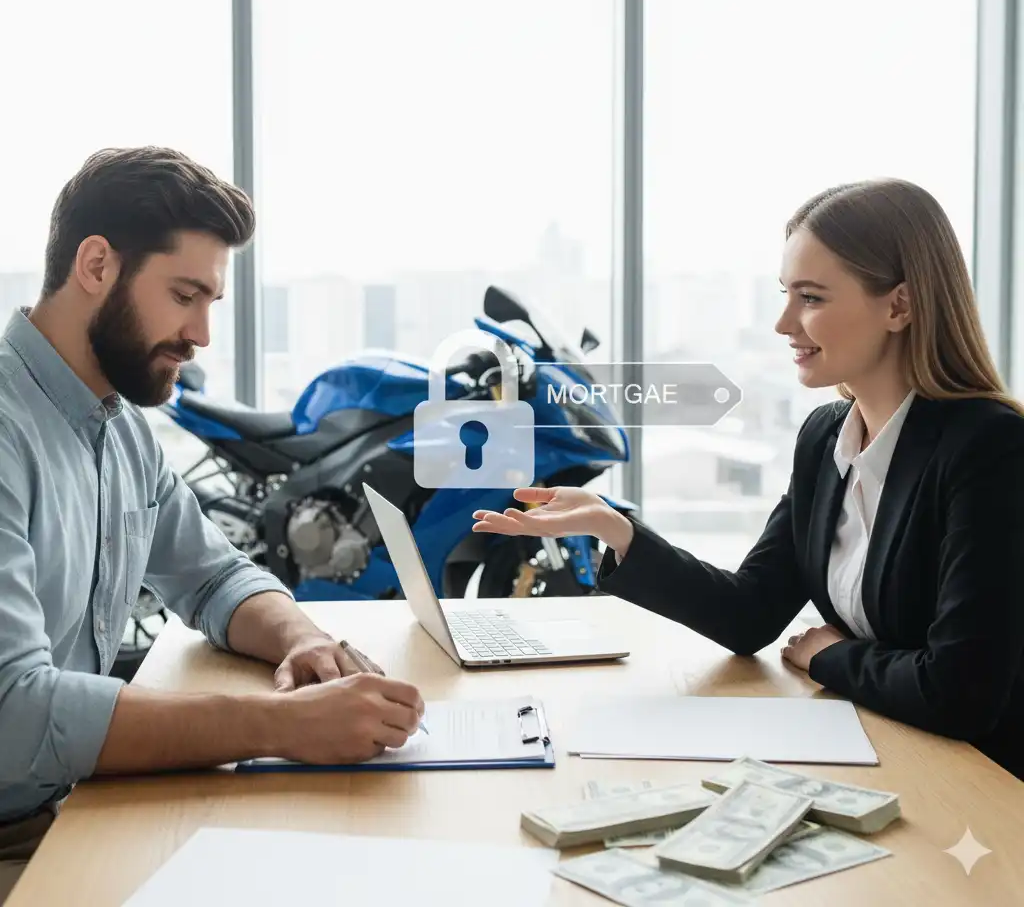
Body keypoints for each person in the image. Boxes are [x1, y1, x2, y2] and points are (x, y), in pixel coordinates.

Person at [473, 178, 1024, 782]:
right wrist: (616, 528)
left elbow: (960, 691)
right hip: (891, 751)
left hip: (983, 788)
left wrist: (833, 658)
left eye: (811, 298)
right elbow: (749, 614)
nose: (784, 322)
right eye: (786, 294)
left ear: (899, 305)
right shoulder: (825, 438)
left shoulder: (989, 448)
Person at [0, 148, 424, 901]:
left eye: (210, 304)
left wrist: (306, 643)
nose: (199, 334)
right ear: (96, 265)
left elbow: (214, 574)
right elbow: (13, 718)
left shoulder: (119, 428)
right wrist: (280, 726)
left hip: (66, 807)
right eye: (184, 295)